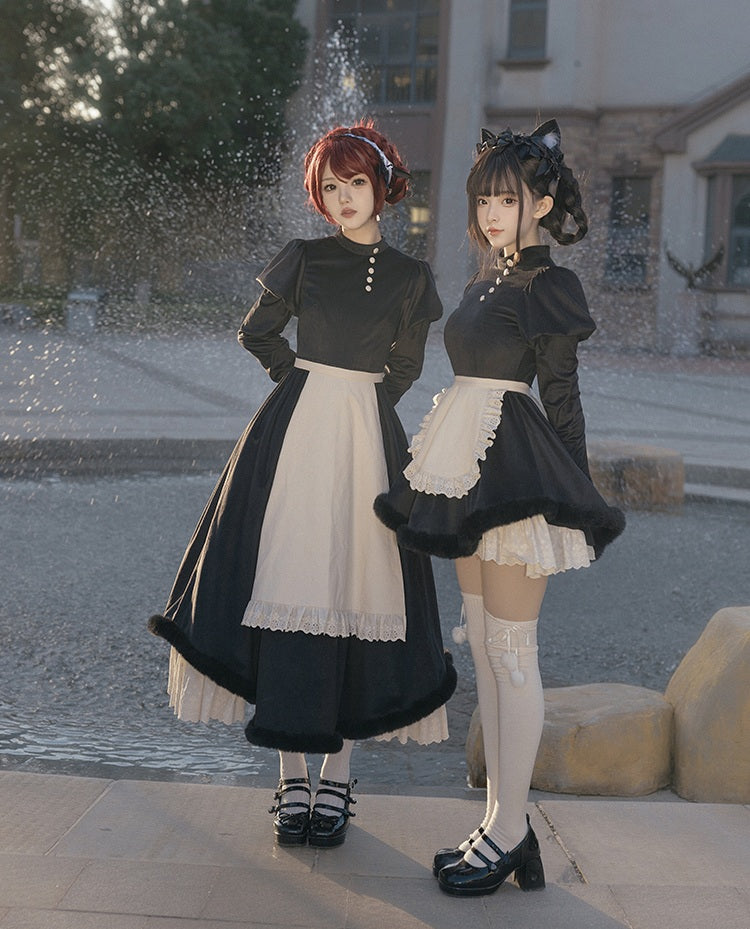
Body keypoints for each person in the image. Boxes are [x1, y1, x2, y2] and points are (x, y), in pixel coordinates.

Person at [149, 122, 456, 849]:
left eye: (355, 183)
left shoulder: (412, 278)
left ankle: (340, 779)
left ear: (382, 184)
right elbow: (257, 331)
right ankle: (291, 779)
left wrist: (365, 405)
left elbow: (407, 365)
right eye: (329, 186)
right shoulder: (304, 259)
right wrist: (302, 383)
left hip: (368, 439)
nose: (343, 198)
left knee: (360, 585)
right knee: (287, 579)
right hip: (292, 433)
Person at [375, 120, 625, 895]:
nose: (490, 212)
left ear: (542, 204)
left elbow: (563, 398)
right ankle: (498, 819)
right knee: (483, 645)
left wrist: (574, 495)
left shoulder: (550, 285)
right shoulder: (489, 279)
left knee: (513, 654)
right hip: (467, 468)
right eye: (484, 198)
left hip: (515, 476)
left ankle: (513, 828)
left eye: (507, 199)